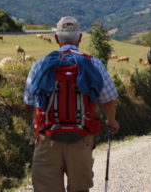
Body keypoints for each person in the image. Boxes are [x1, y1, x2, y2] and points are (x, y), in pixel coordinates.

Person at [23, 16, 119, 192]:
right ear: (80, 38)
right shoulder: (94, 64)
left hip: (48, 137)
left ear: (57, 38)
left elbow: (29, 102)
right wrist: (111, 121)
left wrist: (35, 125)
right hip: (81, 137)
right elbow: (108, 100)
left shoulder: (41, 65)